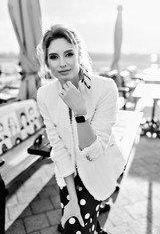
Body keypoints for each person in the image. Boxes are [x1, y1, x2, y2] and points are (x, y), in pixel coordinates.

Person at [36, 24, 125, 234]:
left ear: (79, 54)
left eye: (68, 54)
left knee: (78, 228)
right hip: (68, 173)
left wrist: (79, 112)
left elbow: (93, 153)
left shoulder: (105, 88)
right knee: (74, 222)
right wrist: (73, 201)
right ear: (47, 62)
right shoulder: (45, 95)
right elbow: (58, 149)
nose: (63, 63)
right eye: (54, 57)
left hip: (99, 168)